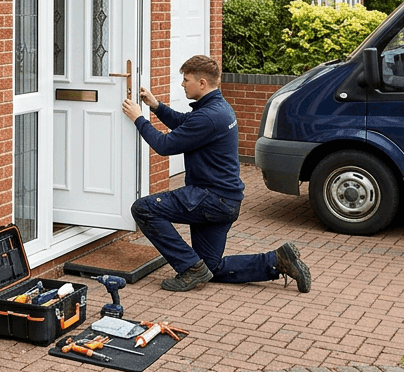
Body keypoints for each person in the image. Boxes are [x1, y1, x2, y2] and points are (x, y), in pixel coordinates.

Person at [121, 55, 311, 293]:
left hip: (210, 199)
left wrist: (138, 118)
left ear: (202, 83)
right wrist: (155, 106)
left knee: (144, 208)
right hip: (226, 201)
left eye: (186, 79)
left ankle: (190, 268)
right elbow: (184, 122)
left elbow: (165, 146)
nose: (182, 84)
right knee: (209, 268)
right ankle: (277, 261)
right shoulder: (217, 108)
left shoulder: (209, 116)